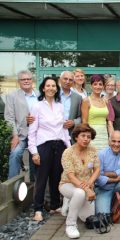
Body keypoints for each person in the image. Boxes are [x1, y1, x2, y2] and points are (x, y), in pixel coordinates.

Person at [28, 77, 71, 222]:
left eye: (54, 86)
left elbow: (64, 128)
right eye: (48, 86)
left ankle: (54, 205)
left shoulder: (60, 106)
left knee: (56, 177)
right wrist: (34, 152)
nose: (51, 88)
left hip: (59, 145)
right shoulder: (37, 106)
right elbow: (32, 131)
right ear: (43, 88)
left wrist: (69, 148)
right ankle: (38, 209)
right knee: (41, 179)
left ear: (56, 89)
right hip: (43, 146)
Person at [59, 123, 100, 239]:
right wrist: (87, 190)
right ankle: (70, 224)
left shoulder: (93, 149)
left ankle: (72, 202)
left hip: (86, 184)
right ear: (76, 137)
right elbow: (71, 176)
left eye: (89, 137)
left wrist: (90, 183)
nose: (86, 139)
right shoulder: (67, 153)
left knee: (87, 218)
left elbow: (97, 170)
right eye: (83, 136)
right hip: (68, 184)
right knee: (79, 193)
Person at [5, 70, 38, 180]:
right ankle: (12, 186)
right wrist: (14, 136)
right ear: (19, 81)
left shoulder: (40, 95)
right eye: (23, 79)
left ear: (32, 81)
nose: (26, 81)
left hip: (38, 135)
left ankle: (35, 185)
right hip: (21, 134)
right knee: (15, 154)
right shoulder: (12, 96)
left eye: (28, 79)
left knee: (36, 158)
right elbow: (9, 118)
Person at [95, 131, 120, 214]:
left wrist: (106, 173)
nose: (116, 144)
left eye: (119, 141)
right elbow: (98, 177)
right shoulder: (101, 154)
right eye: (113, 141)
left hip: (119, 186)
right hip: (104, 188)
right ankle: (111, 202)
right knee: (103, 215)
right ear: (109, 141)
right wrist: (116, 179)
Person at [81, 74, 109, 151]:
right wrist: (87, 137)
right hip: (91, 135)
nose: (98, 86)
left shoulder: (105, 101)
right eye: (95, 84)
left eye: (100, 84)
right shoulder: (86, 101)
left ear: (103, 86)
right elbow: (84, 122)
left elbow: (108, 120)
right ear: (91, 86)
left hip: (104, 134)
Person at [59, 71, 82, 136]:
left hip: (70, 134)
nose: (67, 81)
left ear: (73, 82)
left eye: (70, 80)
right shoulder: (53, 95)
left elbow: (81, 117)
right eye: (65, 79)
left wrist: (74, 122)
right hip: (54, 133)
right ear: (60, 80)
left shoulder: (78, 98)